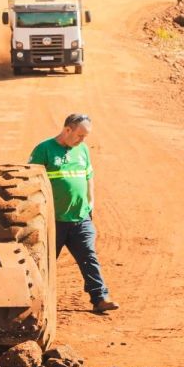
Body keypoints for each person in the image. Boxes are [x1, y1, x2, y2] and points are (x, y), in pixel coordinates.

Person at [29, 114, 118, 313]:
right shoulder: (44, 150)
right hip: (54, 221)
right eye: (80, 135)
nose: (82, 140)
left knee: (89, 256)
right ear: (67, 129)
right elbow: (31, 184)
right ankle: (34, 303)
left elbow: (88, 177)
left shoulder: (83, 150)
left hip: (80, 217)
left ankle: (100, 298)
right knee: (44, 261)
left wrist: (90, 203)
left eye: (85, 136)